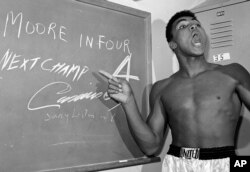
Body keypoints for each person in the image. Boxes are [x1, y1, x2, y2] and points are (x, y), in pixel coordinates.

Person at [99, 10, 250, 172]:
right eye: (183, 26)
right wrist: (128, 102)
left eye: (197, 24)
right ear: (173, 44)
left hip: (225, 163)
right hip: (178, 163)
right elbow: (151, 147)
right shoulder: (162, 88)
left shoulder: (233, 72)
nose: (194, 26)